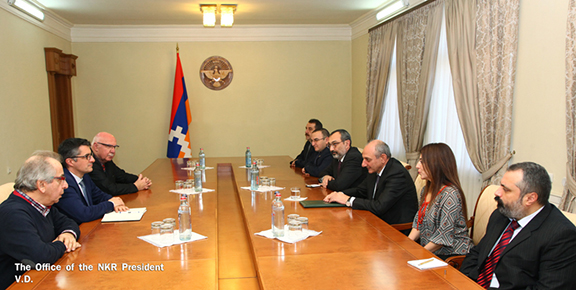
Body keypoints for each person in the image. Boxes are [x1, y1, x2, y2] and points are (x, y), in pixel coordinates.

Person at [460, 162, 576, 289]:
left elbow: (549, 287)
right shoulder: (500, 214)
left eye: (506, 189)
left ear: (530, 198)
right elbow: (477, 253)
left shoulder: (562, 235)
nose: (498, 192)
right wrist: (465, 282)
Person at [0, 151, 81, 289]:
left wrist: (68, 234)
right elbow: (40, 256)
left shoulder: (42, 205)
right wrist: (63, 245)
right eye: (61, 179)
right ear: (41, 185)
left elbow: (69, 222)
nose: (66, 185)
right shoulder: (13, 213)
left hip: (40, 277)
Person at [324, 140, 418, 233]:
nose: (363, 164)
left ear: (383, 158)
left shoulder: (397, 174)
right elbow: (361, 191)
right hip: (376, 222)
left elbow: (379, 206)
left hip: (396, 229)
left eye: (367, 159)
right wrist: (339, 195)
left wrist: (348, 200)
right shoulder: (375, 168)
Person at [407, 143, 472, 260]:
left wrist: (418, 254)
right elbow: (418, 223)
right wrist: (406, 246)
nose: (417, 166)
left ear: (436, 164)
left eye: (422, 161)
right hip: (431, 251)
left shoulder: (450, 194)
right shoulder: (426, 190)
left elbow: (443, 237)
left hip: (451, 256)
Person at [56, 138, 129, 224]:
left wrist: (114, 201)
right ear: (70, 161)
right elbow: (83, 214)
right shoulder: (63, 183)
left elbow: (99, 196)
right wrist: (111, 204)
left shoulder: (85, 176)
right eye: (87, 157)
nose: (92, 160)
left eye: (91, 156)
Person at [90, 132, 152, 196]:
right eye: (109, 146)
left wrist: (142, 181)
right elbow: (110, 189)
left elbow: (122, 176)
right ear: (96, 146)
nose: (113, 151)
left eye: (114, 147)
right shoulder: (89, 163)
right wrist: (136, 186)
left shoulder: (105, 160)